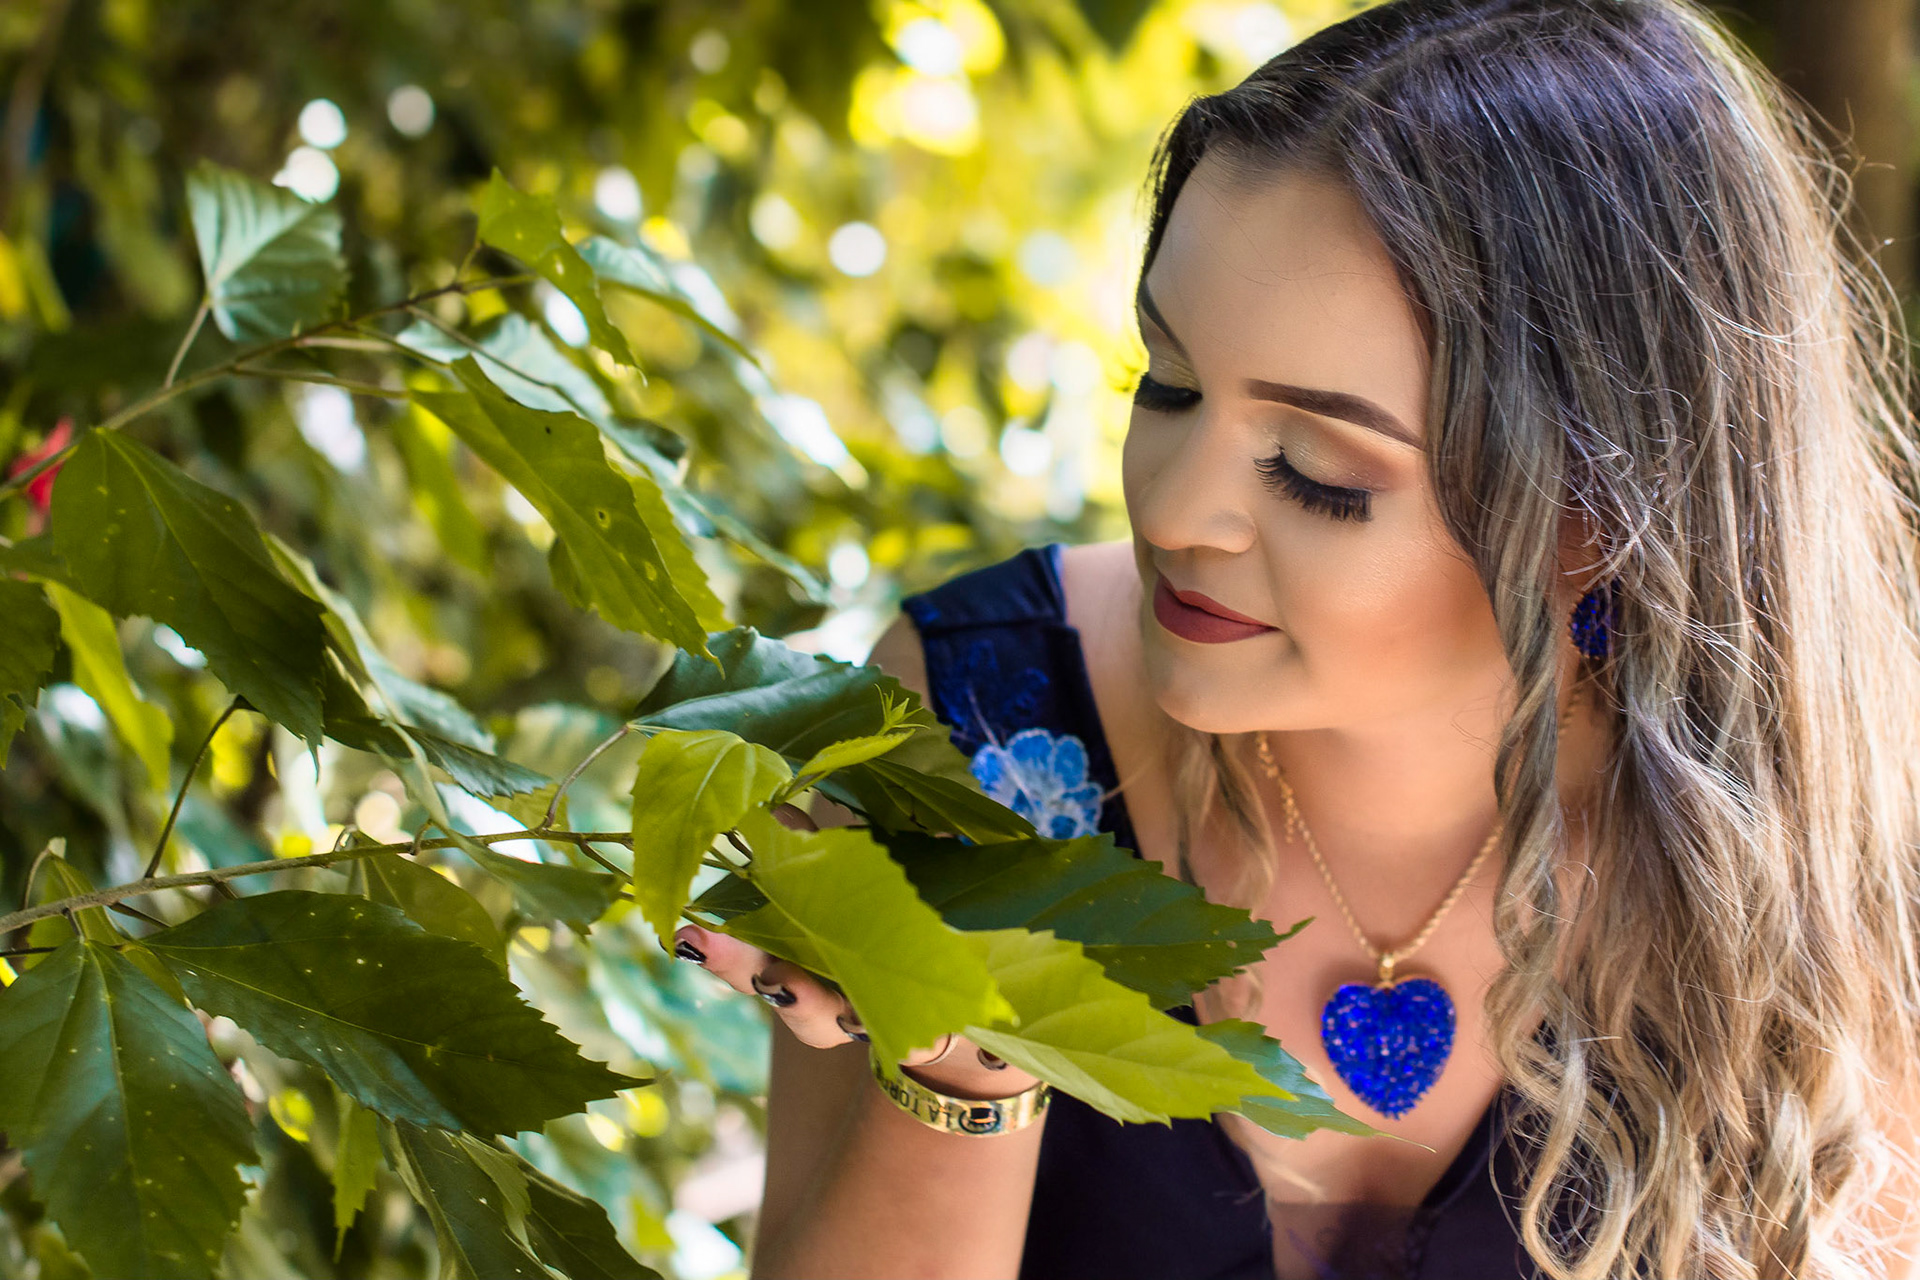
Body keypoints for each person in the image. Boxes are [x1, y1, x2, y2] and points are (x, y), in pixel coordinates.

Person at [671, 0, 1920, 1275]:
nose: (1170, 506)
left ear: (1601, 515)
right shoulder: (974, 717)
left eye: (1315, 468)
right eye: (1165, 382)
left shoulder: (1840, 836)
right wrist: (965, 1072)